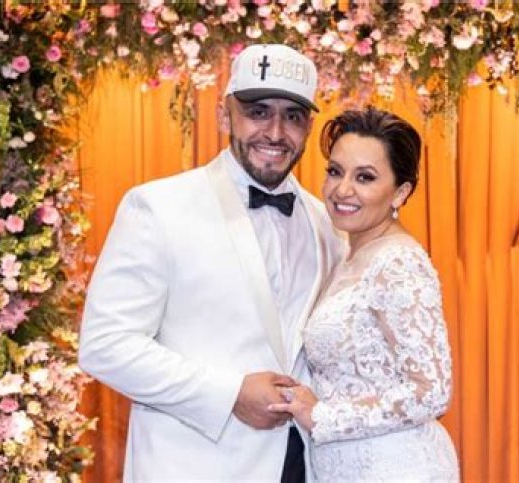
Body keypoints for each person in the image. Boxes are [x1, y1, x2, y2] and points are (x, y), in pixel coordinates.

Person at [79, 44, 343, 481]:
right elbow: (105, 345)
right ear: (224, 117)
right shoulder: (158, 207)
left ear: (309, 127)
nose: (275, 132)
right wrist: (229, 394)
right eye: (258, 112)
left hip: (303, 467)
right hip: (194, 466)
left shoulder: (327, 222)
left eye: (293, 116)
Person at [269, 107, 459, 481]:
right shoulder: (346, 252)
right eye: (335, 171)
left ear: (400, 193)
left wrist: (324, 415)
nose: (342, 190)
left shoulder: (399, 263)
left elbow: (433, 391)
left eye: (365, 177)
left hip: (395, 468)